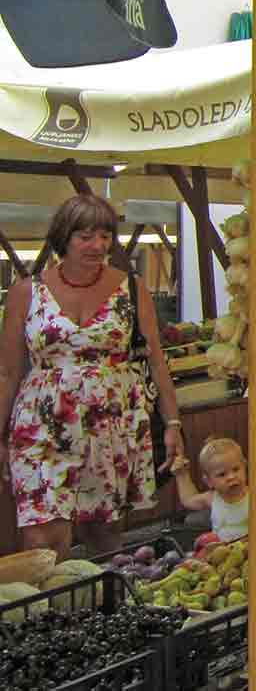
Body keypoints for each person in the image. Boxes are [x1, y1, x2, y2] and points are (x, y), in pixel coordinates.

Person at [0, 194, 185, 557]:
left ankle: (102, 607)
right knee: (43, 537)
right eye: (85, 236)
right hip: (42, 425)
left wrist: (173, 422)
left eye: (105, 236)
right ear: (63, 239)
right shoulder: (27, 292)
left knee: (103, 533)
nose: (98, 245)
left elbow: (157, 361)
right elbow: (7, 371)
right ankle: (49, 610)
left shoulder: (131, 288)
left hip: (111, 425)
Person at [170, 437, 248, 543]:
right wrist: (181, 474)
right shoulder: (212, 498)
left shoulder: (255, 494)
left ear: (244, 467)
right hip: (221, 554)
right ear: (209, 481)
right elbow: (188, 500)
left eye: (236, 469)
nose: (231, 477)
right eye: (222, 474)